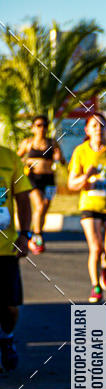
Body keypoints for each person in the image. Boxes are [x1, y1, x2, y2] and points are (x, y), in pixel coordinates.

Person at [67, 113, 106, 303]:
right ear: (87, 130)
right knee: (95, 248)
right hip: (90, 205)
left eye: (102, 126)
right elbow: (72, 183)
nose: (99, 130)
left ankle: (105, 266)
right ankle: (95, 286)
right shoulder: (80, 151)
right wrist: (86, 177)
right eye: (94, 126)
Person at [0, 142, 32, 371]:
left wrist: (24, 235)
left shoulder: (10, 158)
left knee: (10, 307)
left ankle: (7, 337)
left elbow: (23, 199)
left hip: (6, 247)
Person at [17, 115, 64, 254]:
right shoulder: (28, 143)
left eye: (44, 125)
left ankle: (38, 234)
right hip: (32, 178)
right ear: (32, 128)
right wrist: (25, 166)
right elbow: (16, 158)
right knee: (40, 205)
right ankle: (36, 238)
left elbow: (62, 162)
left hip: (49, 179)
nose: (41, 128)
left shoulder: (52, 142)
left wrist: (58, 157)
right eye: (38, 125)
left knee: (44, 208)